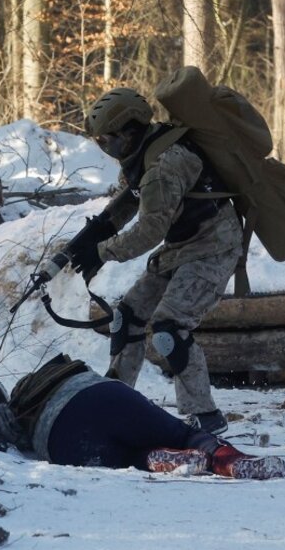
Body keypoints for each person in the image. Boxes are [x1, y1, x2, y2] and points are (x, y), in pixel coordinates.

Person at [75, 87, 243, 434]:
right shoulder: (144, 155)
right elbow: (130, 201)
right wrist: (95, 236)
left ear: (130, 130)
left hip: (214, 246)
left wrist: (103, 252)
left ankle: (205, 417)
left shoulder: (166, 164)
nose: (105, 149)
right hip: (183, 245)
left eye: (108, 140)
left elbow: (149, 231)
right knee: (127, 317)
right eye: (99, 142)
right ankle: (118, 402)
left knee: (169, 329)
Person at [0, 355, 285, 480]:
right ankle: (228, 459)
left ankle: (159, 460)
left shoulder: (14, 409)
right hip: (106, 397)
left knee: (129, 457)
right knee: (182, 433)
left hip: (60, 437)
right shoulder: (60, 370)